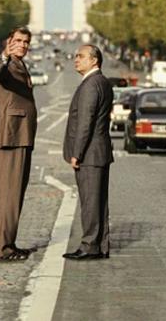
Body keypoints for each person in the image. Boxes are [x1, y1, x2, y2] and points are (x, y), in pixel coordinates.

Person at [0, 26, 38, 262]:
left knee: (14, 194)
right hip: (12, 135)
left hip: (21, 135)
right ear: (8, 42)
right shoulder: (6, 64)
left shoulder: (20, 64)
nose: (22, 45)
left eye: (26, 42)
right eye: (18, 40)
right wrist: (4, 56)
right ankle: (2, 248)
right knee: (9, 194)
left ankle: (9, 243)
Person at [62, 44, 114, 261]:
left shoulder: (90, 85)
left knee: (90, 202)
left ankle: (89, 246)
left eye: (81, 56)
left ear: (94, 60)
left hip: (90, 153)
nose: (76, 59)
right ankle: (100, 245)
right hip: (99, 151)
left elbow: (85, 122)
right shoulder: (103, 81)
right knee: (99, 202)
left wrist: (77, 153)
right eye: (76, 56)